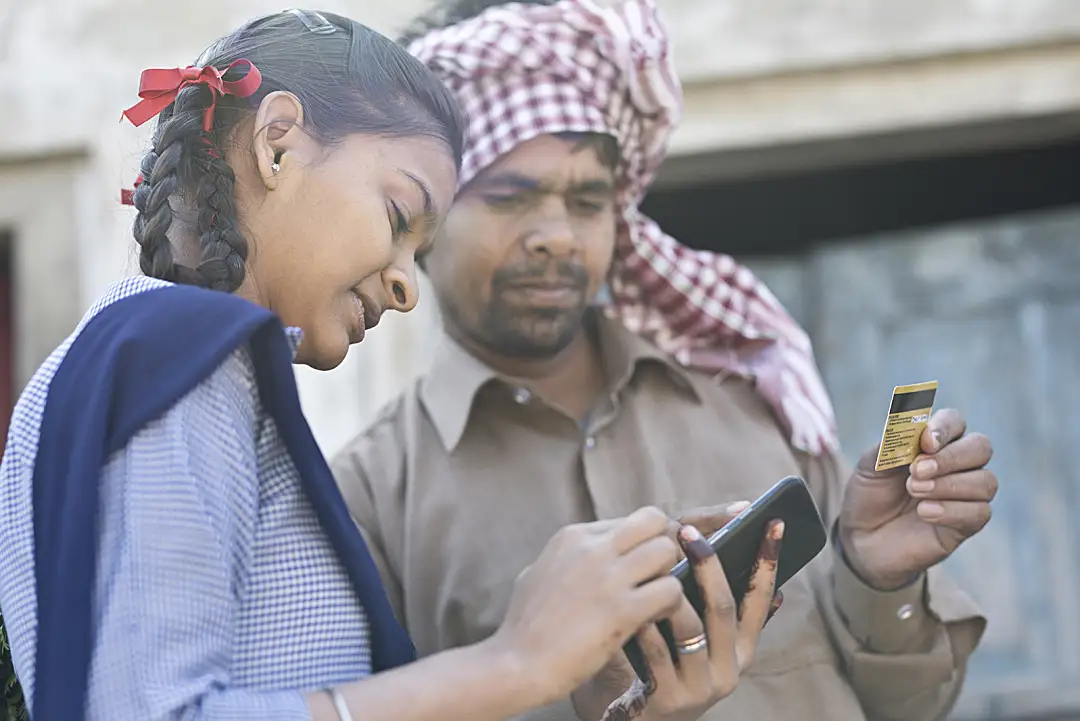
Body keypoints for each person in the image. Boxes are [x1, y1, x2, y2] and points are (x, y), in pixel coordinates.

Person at [0, 8, 784, 721]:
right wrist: (513, 660)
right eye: (400, 216)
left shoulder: (148, 358)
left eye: (422, 249)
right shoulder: (176, 354)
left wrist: (582, 695)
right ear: (277, 143)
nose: (409, 284)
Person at [331, 1, 998, 720]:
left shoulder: (743, 393)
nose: (557, 236)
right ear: (424, 221)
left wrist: (877, 578)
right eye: (510, 198)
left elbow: (908, 704)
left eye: (587, 200)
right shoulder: (366, 499)